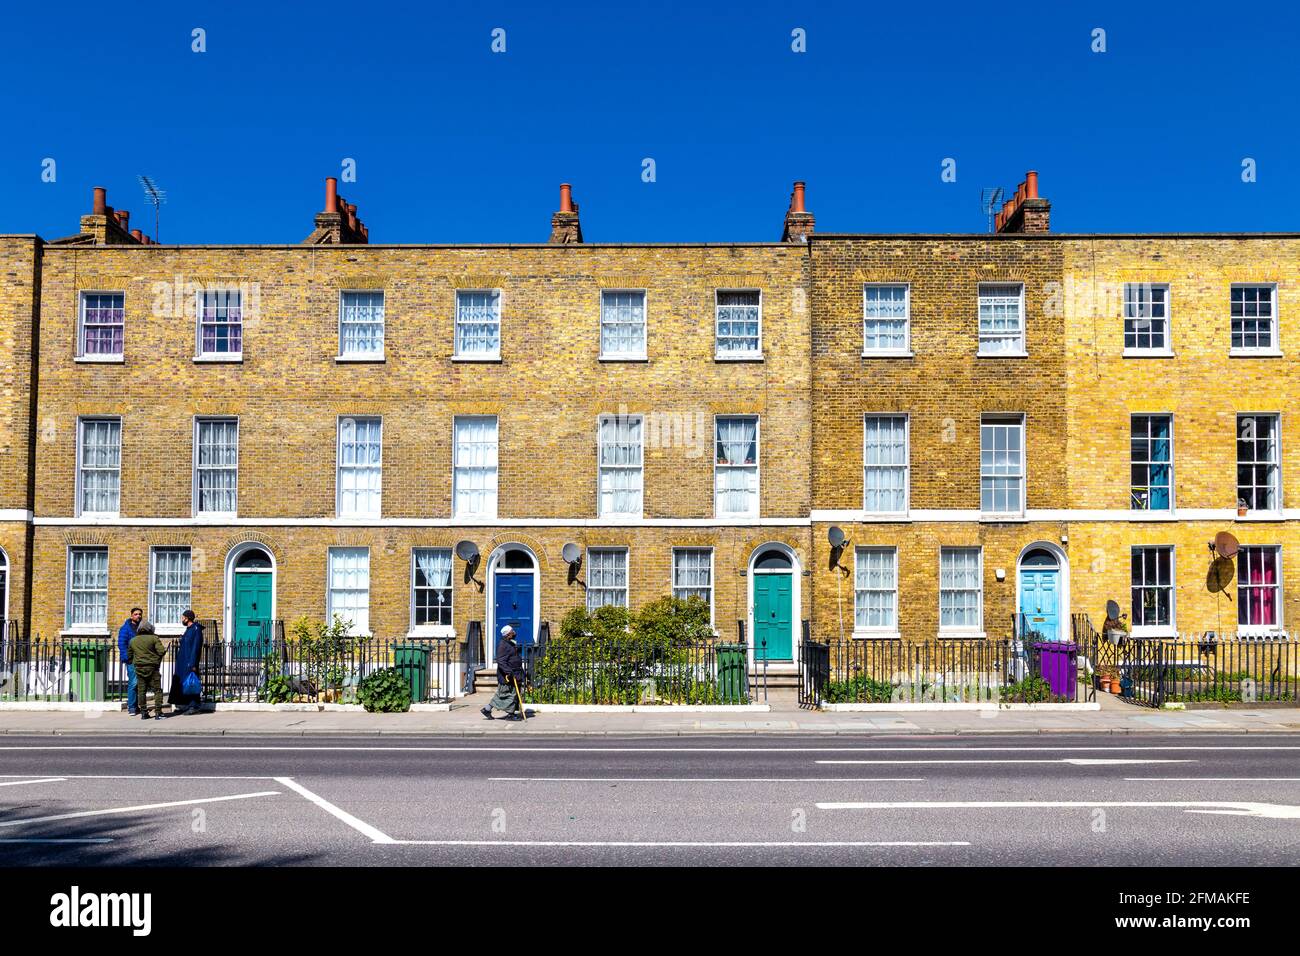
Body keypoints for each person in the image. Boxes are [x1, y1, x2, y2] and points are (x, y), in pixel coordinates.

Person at [480, 624, 525, 721]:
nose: (514, 633)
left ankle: (488, 709)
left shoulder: (509, 643)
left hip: (515, 673)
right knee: (508, 694)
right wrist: (509, 672)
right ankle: (510, 715)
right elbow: (501, 661)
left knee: (507, 694)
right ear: (508, 634)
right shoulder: (503, 645)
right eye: (512, 631)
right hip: (507, 675)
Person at [127, 621, 166, 720]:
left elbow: (129, 656)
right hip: (153, 667)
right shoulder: (154, 638)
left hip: (139, 668)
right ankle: (158, 713)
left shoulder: (133, 640)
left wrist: (137, 661)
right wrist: (156, 658)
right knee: (157, 690)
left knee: (141, 691)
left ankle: (144, 713)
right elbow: (161, 651)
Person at [169, 610, 204, 716]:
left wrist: (192, 663)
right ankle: (185, 704)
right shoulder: (189, 629)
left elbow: (196, 647)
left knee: (191, 683)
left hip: (189, 662)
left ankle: (194, 706)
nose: (182, 619)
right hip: (183, 662)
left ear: (187, 618)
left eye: (183, 617)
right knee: (183, 683)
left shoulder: (196, 629)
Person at [117, 607, 143, 715]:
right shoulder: (125, 629)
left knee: (140, 683)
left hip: (142, 659)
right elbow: (122, 644)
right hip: (132, 660)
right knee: (133, 682)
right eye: (136, 614)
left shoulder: (143, 627)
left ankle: (136, 706)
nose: (138, 616)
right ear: (131, 616)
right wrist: (127, 658)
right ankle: (131, 707)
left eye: (140, 614)